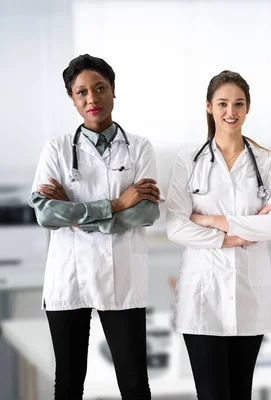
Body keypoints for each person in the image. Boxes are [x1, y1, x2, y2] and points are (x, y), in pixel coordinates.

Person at [29, 54, 160, 399]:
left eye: (100, 88)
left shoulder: (140, 148)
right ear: (72, 99)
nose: (92, 99)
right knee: (69, 383)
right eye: (81, 92)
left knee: (134, 384)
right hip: (68, 275)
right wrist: (117, 205)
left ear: (113, 91)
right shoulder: (56, 149)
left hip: (122, 274)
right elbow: (44, 213)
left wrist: (73, 215)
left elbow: (146, 214)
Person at [165, 70, 271, 400]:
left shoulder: (267, 161)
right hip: (202, 299)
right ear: (209, 107)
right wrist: (233, 237)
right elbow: (175, 225)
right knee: (212, 394)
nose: (230, 112)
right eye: (222, 103)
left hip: (249, 296)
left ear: (247, 108)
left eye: (238, 104)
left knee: (240, 393)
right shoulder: (188, 160)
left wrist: (210, 219)